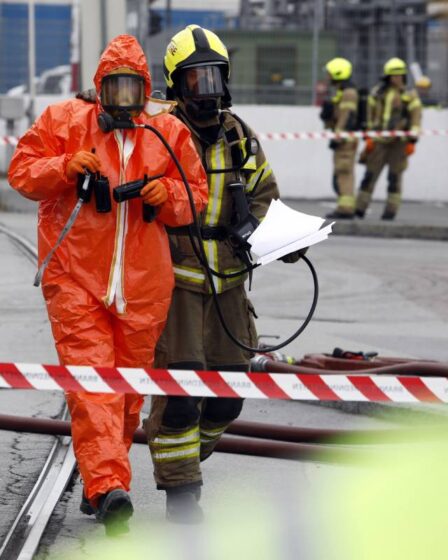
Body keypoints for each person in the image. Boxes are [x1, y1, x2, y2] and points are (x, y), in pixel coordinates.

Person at [8, 34, 208, 533]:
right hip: (75, 277)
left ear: (145, 89)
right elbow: (21, 173)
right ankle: (107, 486)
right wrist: (63, 167)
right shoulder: (63, 122)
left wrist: (167, 195)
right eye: (114, 86)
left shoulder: (167, 133)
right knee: (93, 384)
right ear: (100, 87)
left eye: (132, 87)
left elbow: (196, 197)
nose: (123, 97)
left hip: (144, 286)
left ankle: (102, 484)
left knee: (127, 393)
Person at [141, 24, 302, 524]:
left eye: (213, 77)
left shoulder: (238, 136)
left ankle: (189, 457)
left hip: (230, 278)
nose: (206, 90)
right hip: (179, 281)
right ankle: (182, 492)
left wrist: (275, 234)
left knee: (229, 393)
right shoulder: (160, 134)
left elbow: (265, 191)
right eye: (195, 80)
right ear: (176, 84)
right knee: (182, 397)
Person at [355, 57, 422, 220]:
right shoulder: (377, 93)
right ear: (387, 77)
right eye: (394, 75)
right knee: (369, 176)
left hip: (398, 144)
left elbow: (416, 118)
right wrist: (369, 136)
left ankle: (390, 212)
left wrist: (412, 140)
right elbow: (369, 116)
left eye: (400, 75)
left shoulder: (409, 95)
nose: (397, 79)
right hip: (378, 142)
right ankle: (359, 208)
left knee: (394, 177)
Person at [319, 57, 359, 219]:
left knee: (344, 171)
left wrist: (339, 134)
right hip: (343, 139)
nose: (327, 77)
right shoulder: (342, 92)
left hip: (345, 140)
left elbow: (346, 117)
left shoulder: (349, 93)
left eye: (329, 73)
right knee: (341, 171)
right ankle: (345, 205)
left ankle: (346, 208)